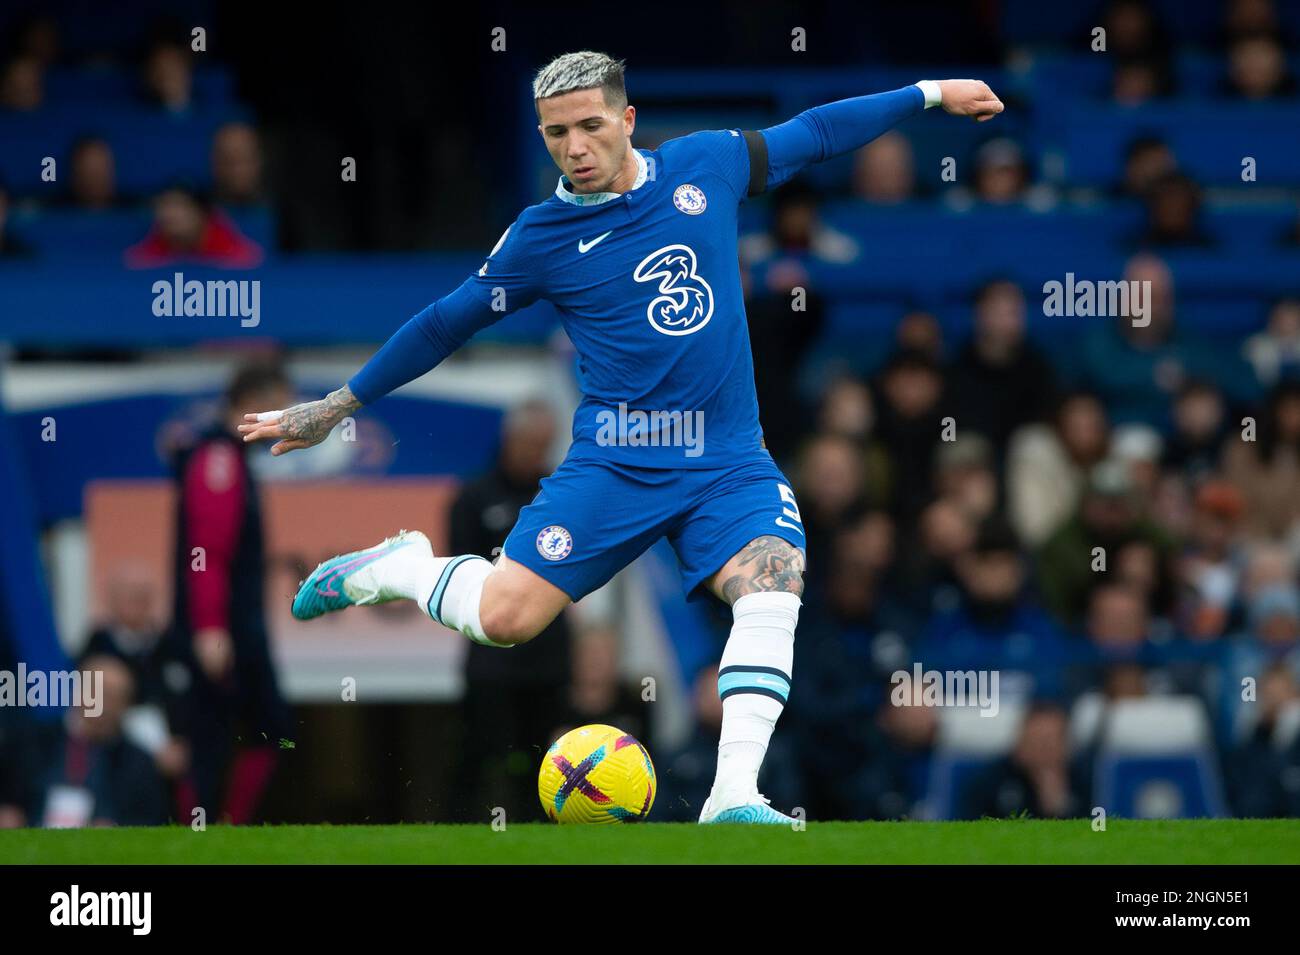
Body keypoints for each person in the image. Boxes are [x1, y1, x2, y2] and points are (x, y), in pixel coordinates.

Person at [239, 51, 1003, 824]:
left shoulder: (708, 164)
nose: (574, 148)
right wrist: (337, 404)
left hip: (729, 461)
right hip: (617, 461)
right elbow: (445, 321)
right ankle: (399, 567)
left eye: (591, 126)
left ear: (628, 119)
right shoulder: (540, 238)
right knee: (505, 621)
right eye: (556, 133)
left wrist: (930, 93)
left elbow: (816, 132)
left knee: (774, 588)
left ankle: (734, 795)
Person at [171, 360, 294, 824]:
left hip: (235, 626)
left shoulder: (229, 459)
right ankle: (212, 827)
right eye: (279, 408)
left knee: (264, 730)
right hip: (225, 629)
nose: (285, 419)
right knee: (238, 732)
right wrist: (209, 627)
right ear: (251, 405)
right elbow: (208, 550)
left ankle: (221, 827)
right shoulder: (219, 460)